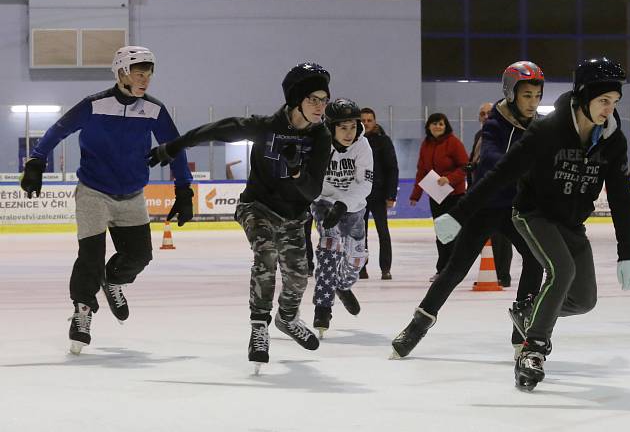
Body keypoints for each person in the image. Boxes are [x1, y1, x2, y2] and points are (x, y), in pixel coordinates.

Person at [433, 57, 630, 390]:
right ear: (584, 98)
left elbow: (620, 196)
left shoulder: (613, 140)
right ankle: (534, 349)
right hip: (533, 213)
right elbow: (503, 172)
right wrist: (460, 214)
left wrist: (627, 252)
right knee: (561, 271)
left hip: (571, 224)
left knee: (584, 300)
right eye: (603, 101)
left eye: (614, 102)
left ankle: (528, 316)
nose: (609, 109)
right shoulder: (549, 130)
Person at [148, 62, 332, 372]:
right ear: (296, 100)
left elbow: (312, 190)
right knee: (266, 254)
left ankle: (286, 318)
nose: (320, 106)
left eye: (324, 99)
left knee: (299, 276)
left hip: (295, 215)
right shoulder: (266, 126)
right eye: (313, 99)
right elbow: (218, 129)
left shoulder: (321, 136)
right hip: (256, 206)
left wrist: (297, 170)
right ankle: (259, 327)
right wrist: (173, 146)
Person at [19, 46, 194, 355]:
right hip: (93, 193)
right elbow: (57, 131)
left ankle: (113, 281)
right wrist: (36, 161)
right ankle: (82, 312)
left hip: (132, 195)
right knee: (90, 257)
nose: (145, 80)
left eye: (149, 74)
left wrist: (184, 188)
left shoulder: (153, 109)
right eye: (139, 73)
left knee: (140, 256)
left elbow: (175, 147)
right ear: (121, 72)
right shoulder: (93, 106)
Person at [391, 61, 546, 359]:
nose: (533, 103)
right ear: (511, 94)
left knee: (535, 259)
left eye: (537, 96)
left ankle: (522, 329)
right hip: (485, 207)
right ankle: (418, 324)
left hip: (517, 211)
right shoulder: (495, 124)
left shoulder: (539, 126)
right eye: (527, 95)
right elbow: (490, 158)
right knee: (455, 269)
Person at [311, 98, 373, 337]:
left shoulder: (363, 147)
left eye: (353, 127)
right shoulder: (320, 144)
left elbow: (364, 184)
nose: (349, 133)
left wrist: (343, 205)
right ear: (331, 127)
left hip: (354, 208)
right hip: (324, 203)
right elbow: (311, 178)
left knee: (357, 259)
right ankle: (323, 306)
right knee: (329, 247)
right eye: (343, 127)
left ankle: (342, 285)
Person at [409, 113, 469, 282]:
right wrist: (415, 195)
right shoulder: (425, 145)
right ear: (428, 126)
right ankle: (442, 269)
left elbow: (466, 166)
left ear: (446, 126)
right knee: (441, 234)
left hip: (454, 195)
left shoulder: (453, 143)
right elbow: (421, 170)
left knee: (452, 233)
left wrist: (450, 178)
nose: (437, 127)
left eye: (441, 124)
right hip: (436, 196)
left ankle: (455, 269)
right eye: (434, 124)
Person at [467, 101, 513, 288]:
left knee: (503, 236)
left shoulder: (503, 133)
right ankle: (495, 272)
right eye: (482, 113)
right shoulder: (481, 134)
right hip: (483, 191)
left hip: (501, 191)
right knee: (489, 235)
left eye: (488, 113)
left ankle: (503, 274)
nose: (485, 116)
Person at [360, 108, 399, 280]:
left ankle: (385, 268)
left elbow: (392, 168)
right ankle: (361, 267)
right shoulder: (353, 141)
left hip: (378, 194)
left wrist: (391, 195)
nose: (366, 123)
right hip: (359, 195)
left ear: (374, 121)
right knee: (360, 233)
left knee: (383, 231)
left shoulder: (383, 141)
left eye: (369, 120)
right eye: (363, 120)